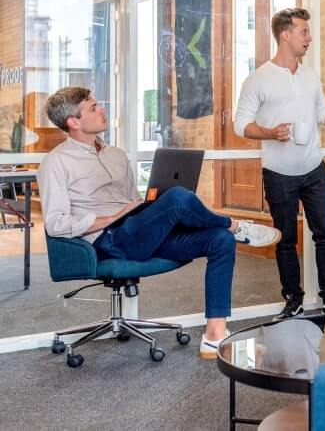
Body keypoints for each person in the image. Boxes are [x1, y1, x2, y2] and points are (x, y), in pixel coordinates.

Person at [37, 86, 282, 359]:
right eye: (93, 107)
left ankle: (214, 336)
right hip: (109, 240)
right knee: (178, 198)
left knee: (218, 240)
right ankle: (234, 225)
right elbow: (56, 224)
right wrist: (112, 217)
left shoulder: (115, 154)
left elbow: (133, 201)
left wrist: (145, 208)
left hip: (138, 231)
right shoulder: (55, 163)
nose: (102, 109)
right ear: (73, 122)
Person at [235, 7, 325, 320]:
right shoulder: (259, 78)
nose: (309, 38)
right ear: (285, 34)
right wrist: (270, 132)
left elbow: (324, 115)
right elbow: (240, 124)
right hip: (279, 173)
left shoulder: (310, 77)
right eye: (303, 32)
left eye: (308, 32)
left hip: (314, 169)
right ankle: (293, 299)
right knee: (285, 237)